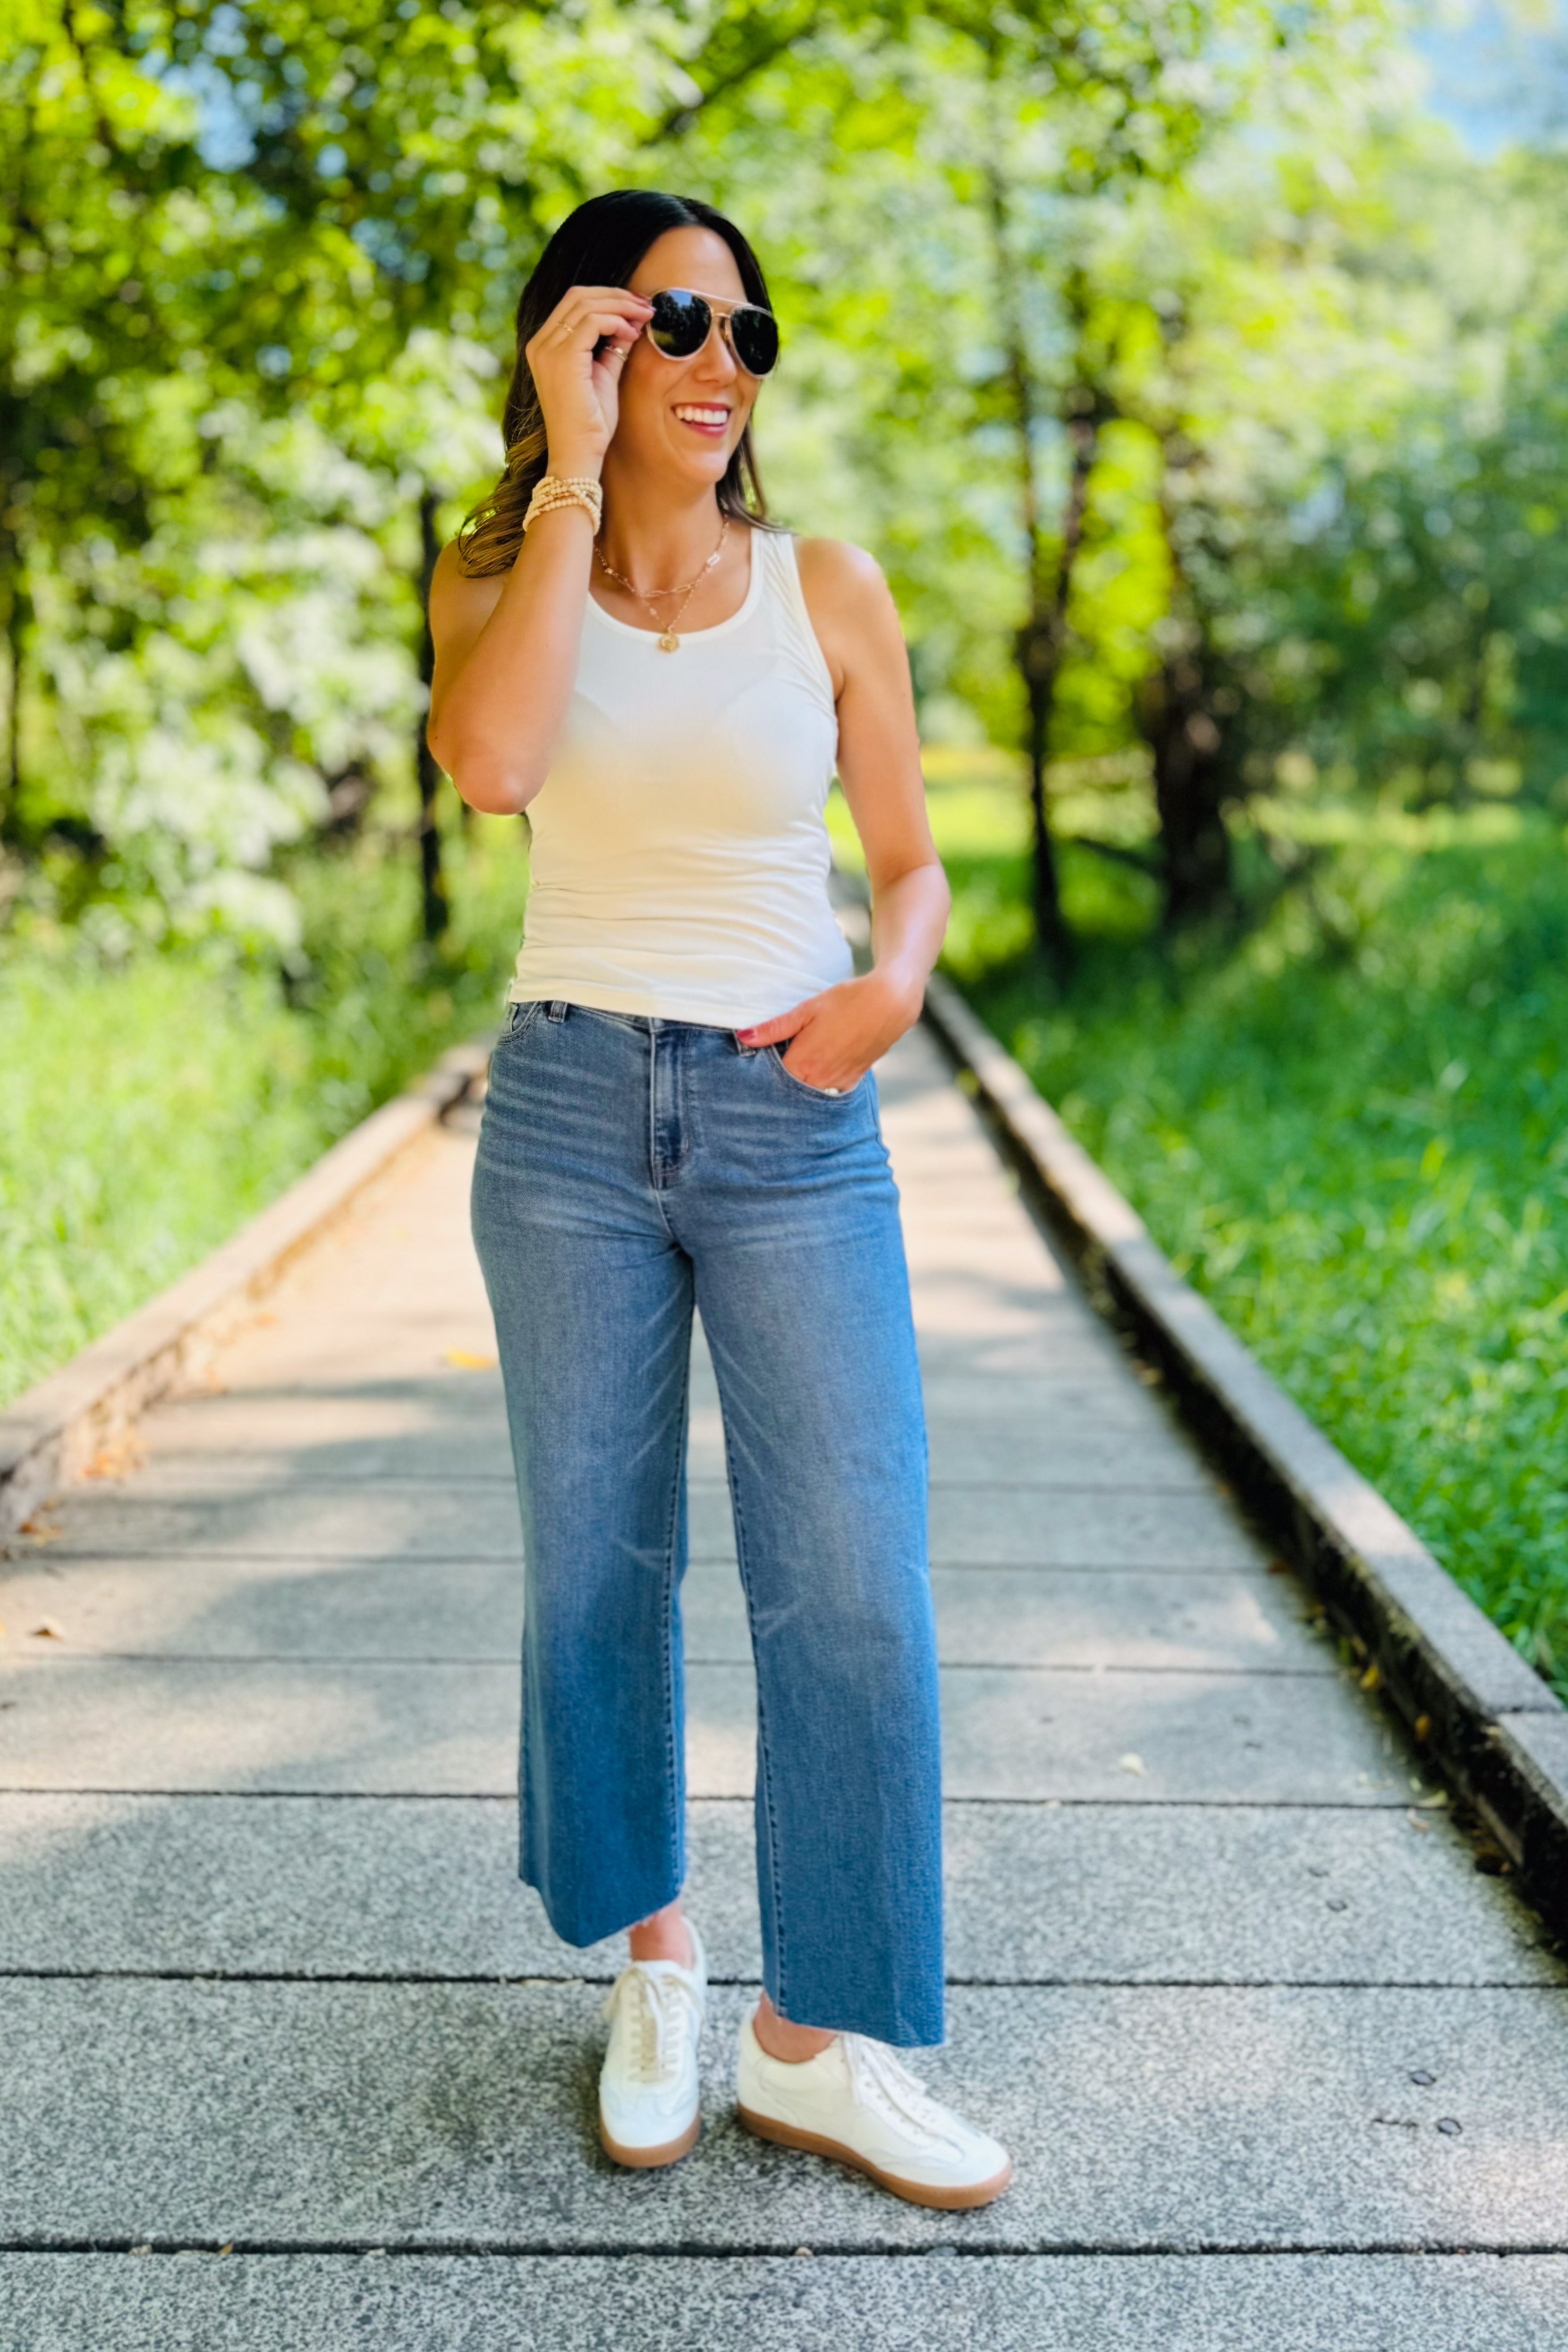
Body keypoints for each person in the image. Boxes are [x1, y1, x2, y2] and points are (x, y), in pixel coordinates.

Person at [427, 187, 1010, 2211]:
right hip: (571, 1111)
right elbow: (493, 767)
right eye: (673, 322)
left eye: (747, 332)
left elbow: (914, 858)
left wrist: (893, 989)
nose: (719, 363)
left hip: (791, 1110)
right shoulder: (503, 569)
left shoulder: (827, 586)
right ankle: (658, 1970)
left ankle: (812, 2044)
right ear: (582, 342)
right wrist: (570, 483)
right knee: (594, 1565)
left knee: (853, 1577)